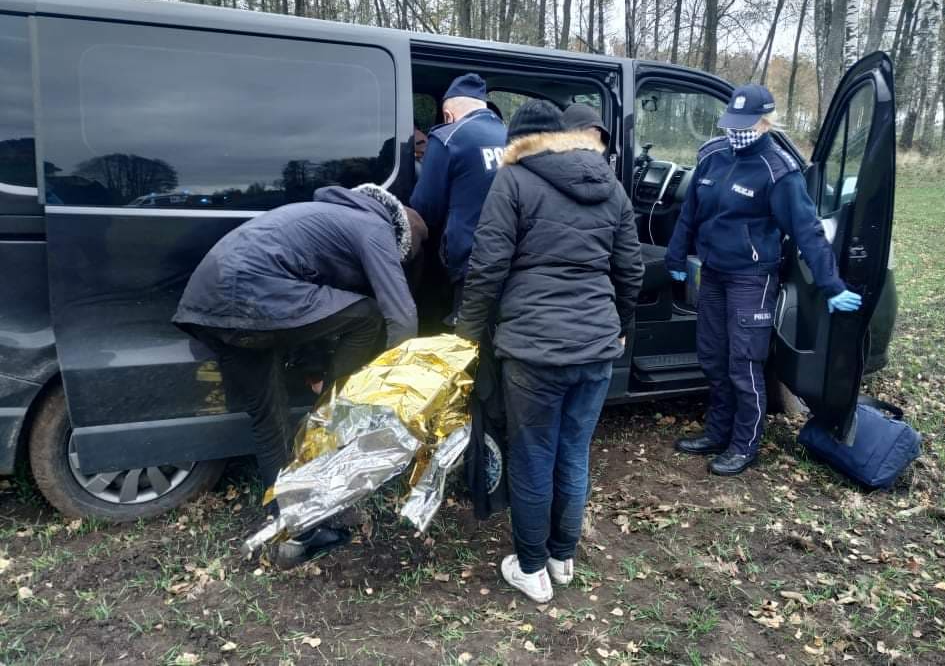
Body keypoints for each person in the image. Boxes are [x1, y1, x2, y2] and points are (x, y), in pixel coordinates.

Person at [174, 183, 427, 565]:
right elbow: (402, 318)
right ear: (401, 242)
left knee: (270, 421)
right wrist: (396, 391)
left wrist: (312, 369)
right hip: (252, 291)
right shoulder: (376, 230)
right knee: (369, 315)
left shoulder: (328, 217)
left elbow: (308, 305)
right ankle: (335, 401)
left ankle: (292, 537)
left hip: (210, 303)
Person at [457, 100, 644, 603]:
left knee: (534, 454)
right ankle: (562, 558)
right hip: (596, 346)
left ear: (518, 143)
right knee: (574, 451)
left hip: (534, 350)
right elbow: (630, 270)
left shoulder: (513, 180)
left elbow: (487, 268)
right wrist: (620, 328)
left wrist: (466, 339)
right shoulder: (610, 184)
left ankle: (531, 568)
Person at [665, 84, 862, 477]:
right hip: (713, 274)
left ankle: (744, 444)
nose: (736, 132)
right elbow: (690, 212)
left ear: (765, 123)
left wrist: (831, 284)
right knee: (713, 358)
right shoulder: (712, 156)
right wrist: (676, 255)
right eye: (732, 123)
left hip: (751, 280)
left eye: (746, 125)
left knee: (743, 363)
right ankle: (717, 433)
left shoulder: (779, 170)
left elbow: (807, 231)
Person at [409, 73, 507, 323]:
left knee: (469, 336)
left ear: (448, 115)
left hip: (471, 262)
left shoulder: (448, 138)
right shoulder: (513, 137)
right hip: (512, 258)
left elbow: (425, 208)